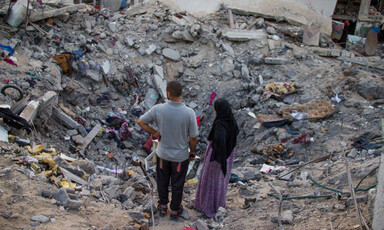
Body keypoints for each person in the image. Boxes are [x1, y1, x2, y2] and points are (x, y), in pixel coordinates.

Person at [137, 80, 199, 219]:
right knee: (177, 184)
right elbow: (194, 137)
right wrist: (192, 151)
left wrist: (154, 132)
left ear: (168, 93)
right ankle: (175, 210)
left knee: (162, 181)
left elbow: (141, 121)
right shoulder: (189, 113)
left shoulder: (159, 109)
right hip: (180, 157)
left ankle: (163, 207)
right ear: (180, 94)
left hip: (163, 154)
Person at [194, 98, 239, 218]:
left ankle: (207, 206)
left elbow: (219, 137)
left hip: (217, 157)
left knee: (210, 180)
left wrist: (218, 151)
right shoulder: (231, 121)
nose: (214, 111)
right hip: (227, 157)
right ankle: (218, 204)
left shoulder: (220, 123)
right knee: (220, 181)